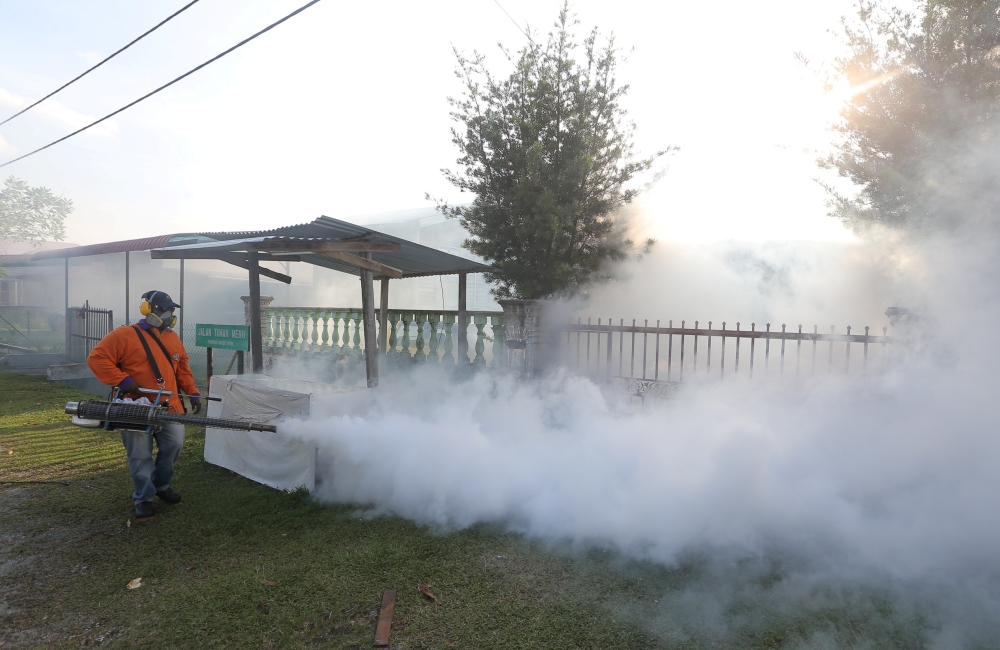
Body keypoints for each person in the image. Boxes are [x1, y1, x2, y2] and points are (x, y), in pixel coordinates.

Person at [88, 290, 201, 520]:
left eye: (171, 310)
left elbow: (182, 369)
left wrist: (193, 393)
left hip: (169, 406)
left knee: (175, 444)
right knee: (140, 454)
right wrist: (123, 380)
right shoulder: (124, 335)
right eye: (163, 309)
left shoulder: (173, 337)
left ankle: (161, 484)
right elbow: (97, 359)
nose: (169, 314)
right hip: (134, 407)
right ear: (147, 309)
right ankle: (144, 497)